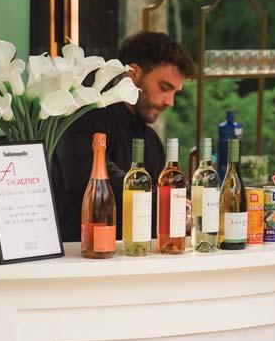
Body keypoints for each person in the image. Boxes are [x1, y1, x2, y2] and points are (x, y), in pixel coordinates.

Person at [53, 31, 196, 241]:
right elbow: (96, 180)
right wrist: (164, 200)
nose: (170, 102)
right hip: (81, 252)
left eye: (175, 92)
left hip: (139, 253)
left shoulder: (152, 141)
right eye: (164, 87)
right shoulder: (83, 119)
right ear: (133, 73)